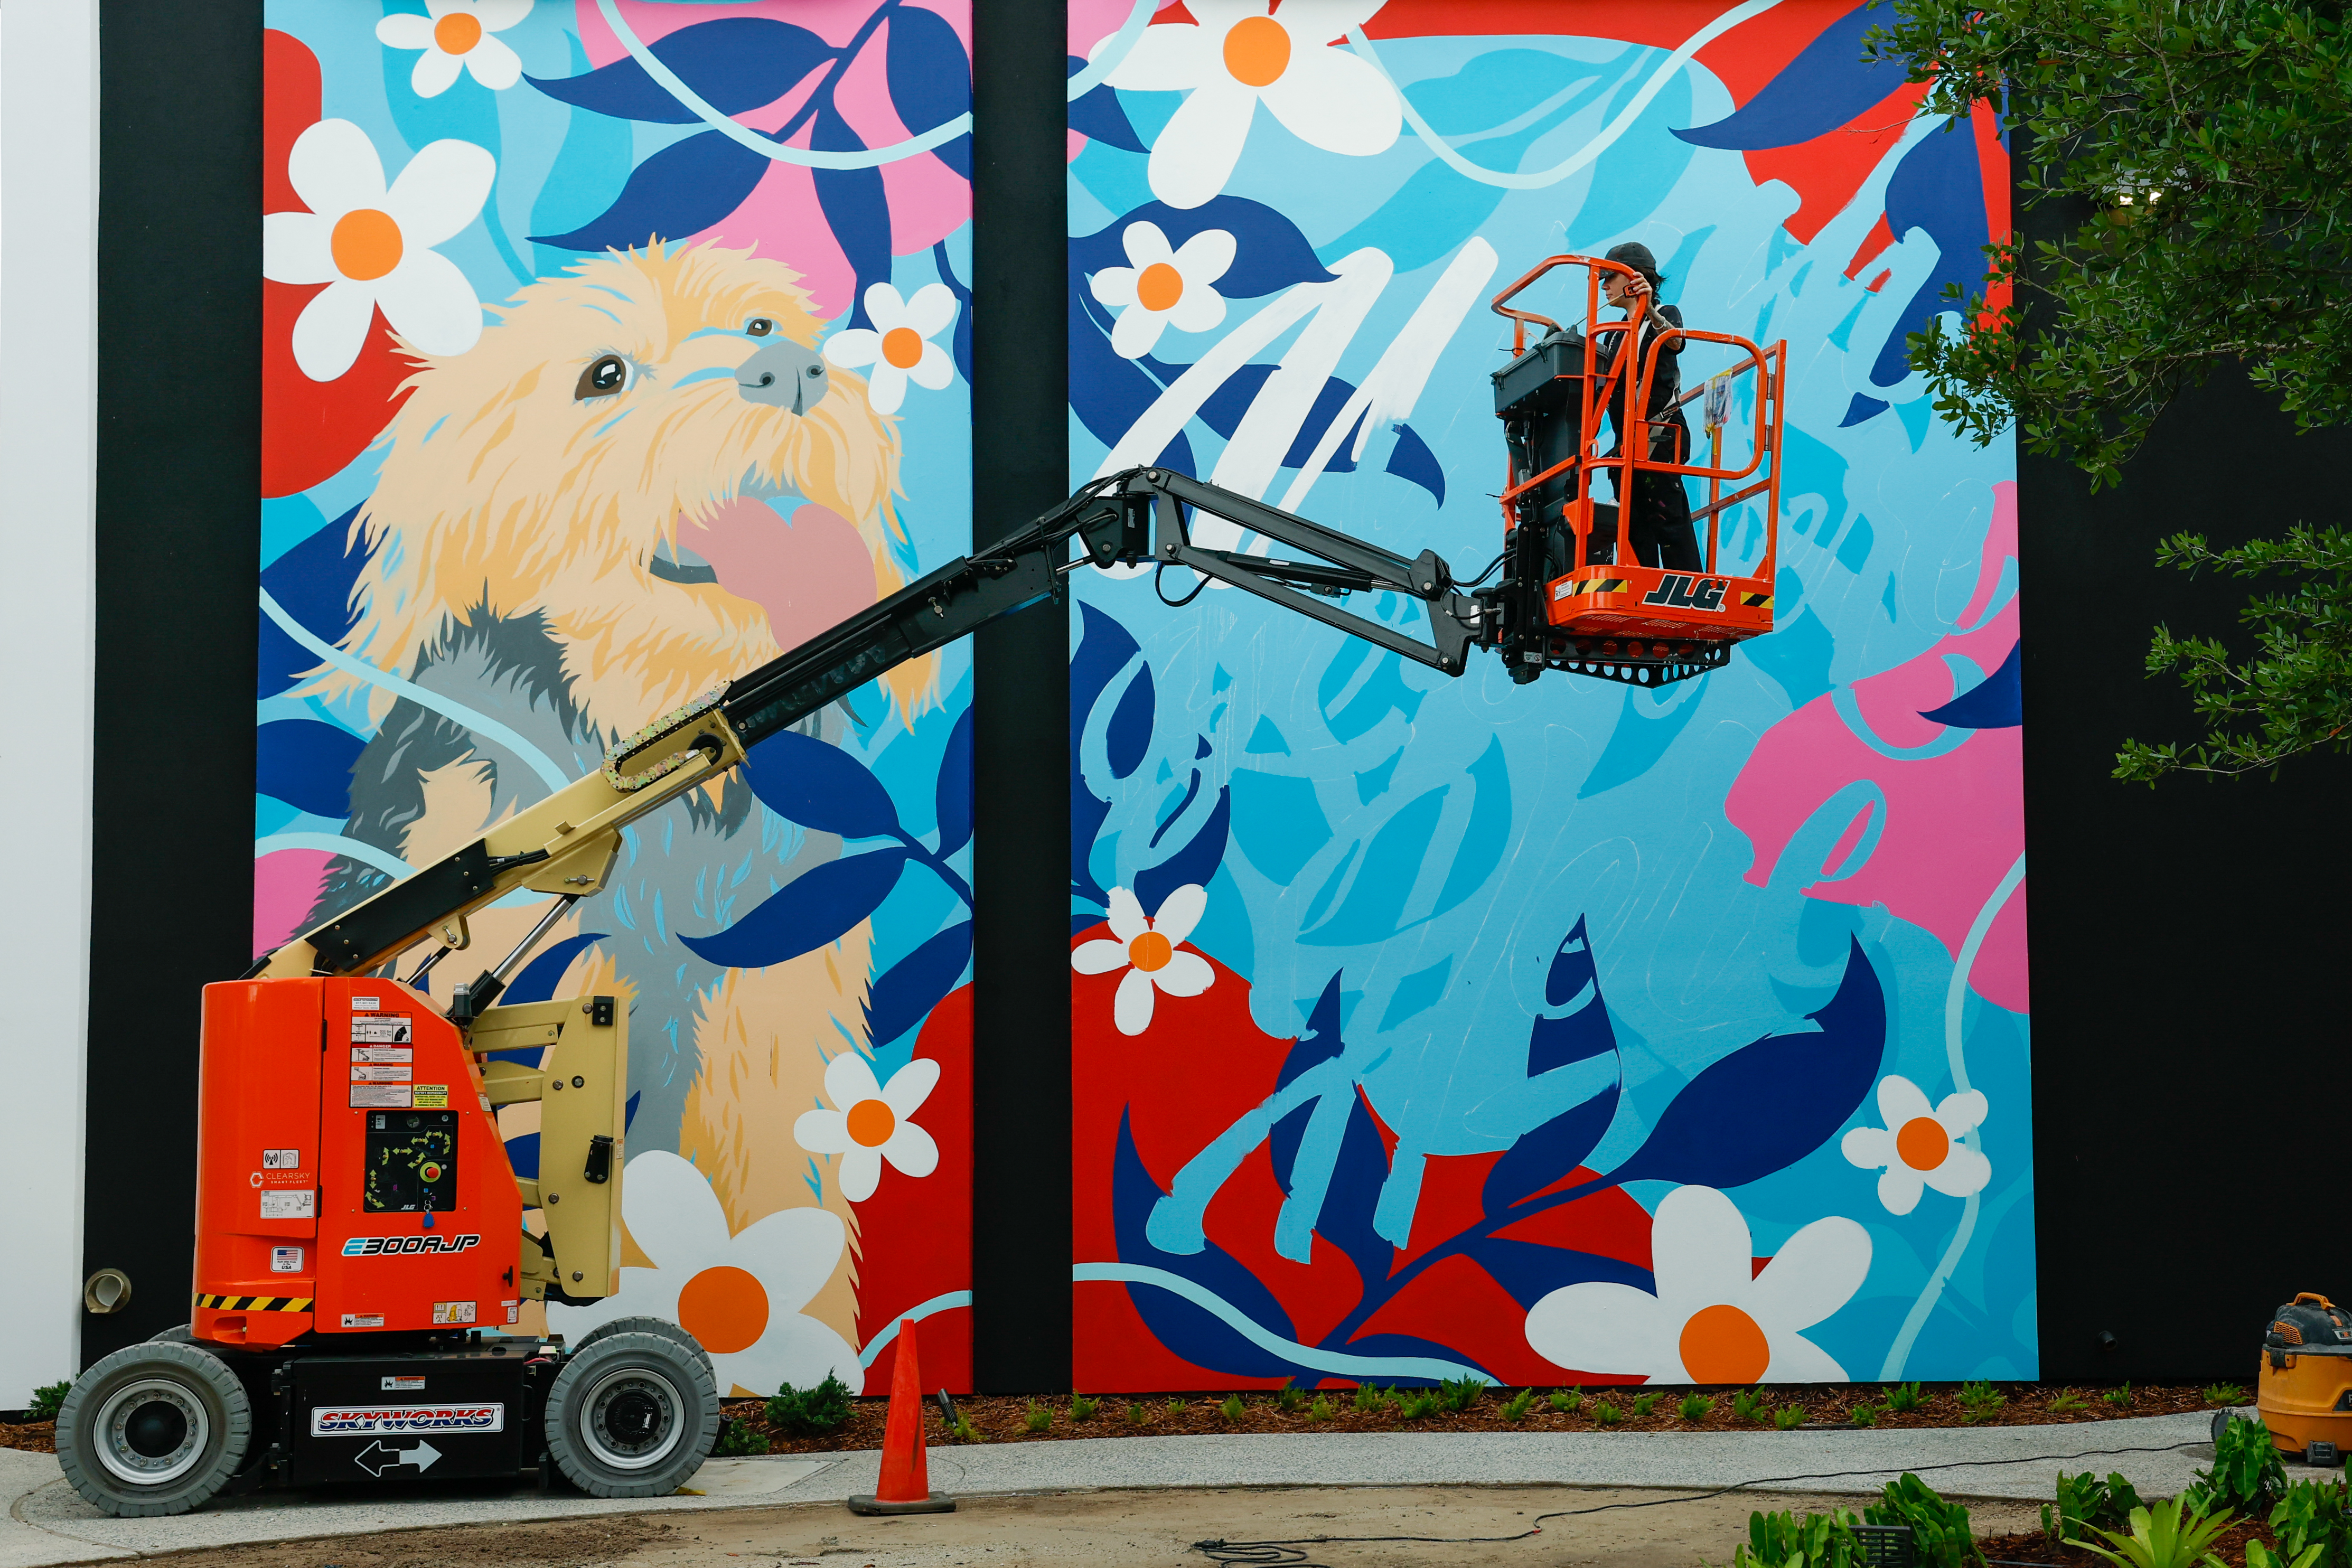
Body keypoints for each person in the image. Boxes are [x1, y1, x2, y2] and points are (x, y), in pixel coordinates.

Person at [1584, 241, 1703, 572]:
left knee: (1668, 516)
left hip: (1660, 434)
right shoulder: (1612, 336)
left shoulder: (1664, 315)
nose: (1605, 286)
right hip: (1628, 443)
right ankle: (1643, 581)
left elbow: (1676, 341)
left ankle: (1688, 583)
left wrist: (1648, 308)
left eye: (1610, 278)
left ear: (1634, 279)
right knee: (1633, 523)